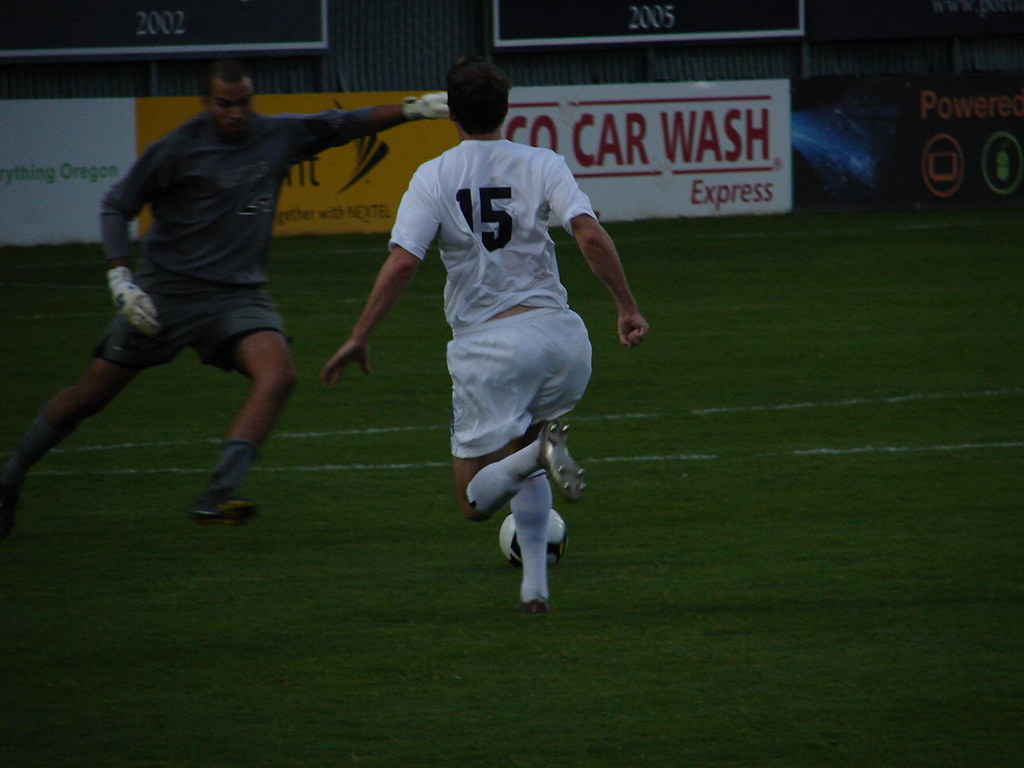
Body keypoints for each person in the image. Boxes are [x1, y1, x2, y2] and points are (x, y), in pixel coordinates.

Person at [0, 58, 449, 538]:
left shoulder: (275, 136)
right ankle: (10, 477)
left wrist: (414, 110)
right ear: (205, 103)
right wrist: (121, 279)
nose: (236, 113)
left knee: (278, 375)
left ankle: (217, 496)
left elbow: (342, 124)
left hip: (237, 296)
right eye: (225, 104)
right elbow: (116, 205)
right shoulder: (176, 149)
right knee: (89, 396)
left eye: (244, 103)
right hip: (164, 295)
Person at [320, 55, 649, 613]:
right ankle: (536, 590)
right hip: (564, 341)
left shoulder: (434, 175)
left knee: (475, 501)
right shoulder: (543, 161)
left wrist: (359, 334)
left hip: (492, 348)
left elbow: (403, 264)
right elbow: (589, 236)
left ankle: (535, 458)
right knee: (526, 442)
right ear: (507, 106)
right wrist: (626, 308)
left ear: (452, 113)